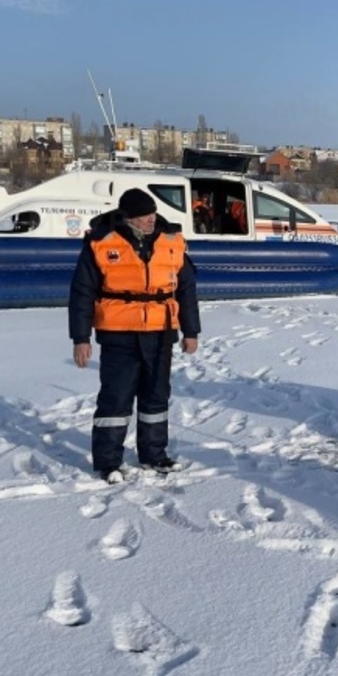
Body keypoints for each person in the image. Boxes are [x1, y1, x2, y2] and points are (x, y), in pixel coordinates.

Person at [69, 188, 201, 484]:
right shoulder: (101, 243)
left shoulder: (173, 242)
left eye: (153, 213)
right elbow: (81, 293)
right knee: (115, 400)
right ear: (129, 217)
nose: (151, 219)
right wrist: (80, 338)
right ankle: (108, 461)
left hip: (160, 331)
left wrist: (191, 330)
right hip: (119, 334)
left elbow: (187, 290)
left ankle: (154, 455)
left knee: (156, 397)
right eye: (144, 215)